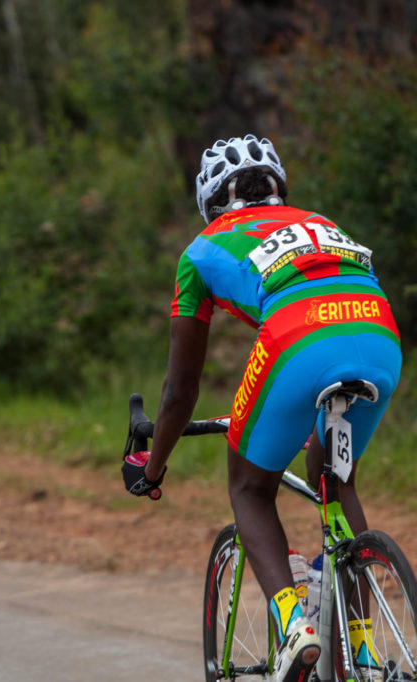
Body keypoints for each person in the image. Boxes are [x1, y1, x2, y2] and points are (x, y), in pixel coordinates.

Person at [121, 135, 401, 682]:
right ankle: (364, 649)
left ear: (211, 203)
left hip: (298, 341)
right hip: (378, 334)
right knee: (336, 483)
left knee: (250, 487)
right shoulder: (319, 221)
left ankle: (296, 626)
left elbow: (180, 392)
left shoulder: (201, 250)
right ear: (278, 190)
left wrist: (152, 466)